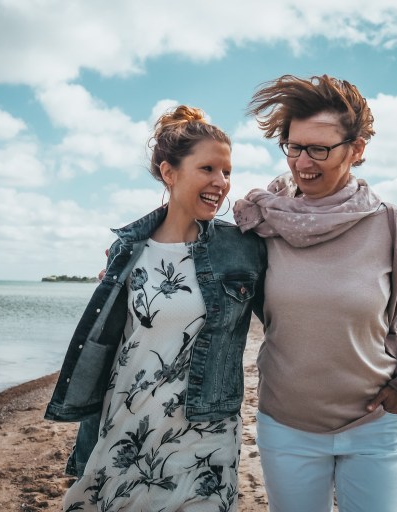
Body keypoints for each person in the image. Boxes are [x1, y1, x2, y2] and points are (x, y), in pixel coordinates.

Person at [45, 105, 267, 511]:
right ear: (169, 173)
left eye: (227, 172)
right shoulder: (126, 250)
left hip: (208, 428)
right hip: (129, 418)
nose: (221, 183)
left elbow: (288, 317)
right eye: (208, 169)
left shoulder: (244, 248)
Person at [233, 74, 397, 512]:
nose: (304, 162)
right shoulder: (263, 224)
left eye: (319, 149)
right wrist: (130, 259)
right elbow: (199, 259)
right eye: (294, 146)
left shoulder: (392, 224)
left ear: (356, 149)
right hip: (286, 425)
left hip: (377, 425)